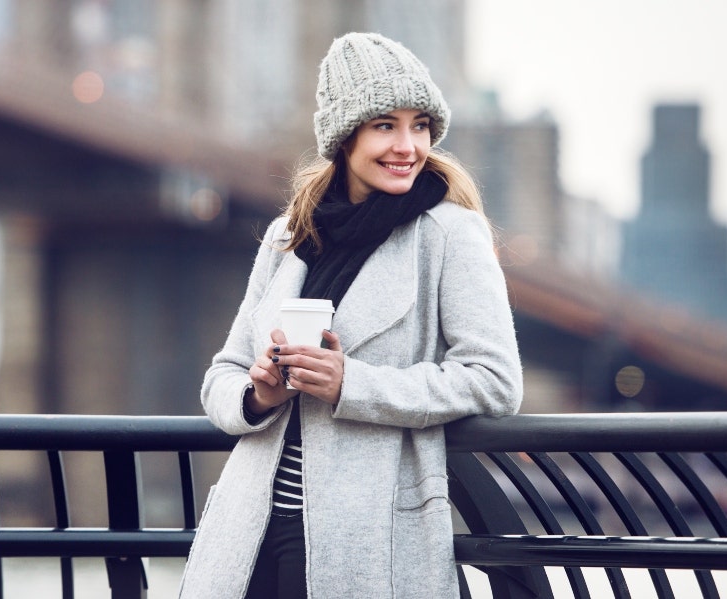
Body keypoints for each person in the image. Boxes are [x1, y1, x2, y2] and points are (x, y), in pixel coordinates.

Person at [179, 32, 523, 599]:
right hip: (250, 529)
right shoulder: (290, 235)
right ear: (344, 137)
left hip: (366, 535)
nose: (408, 146)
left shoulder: (448, 234)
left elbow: (495, 381)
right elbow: (223, 373)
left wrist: (351, 384)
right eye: (385, 125)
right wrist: (259, 393)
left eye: (420, 126)